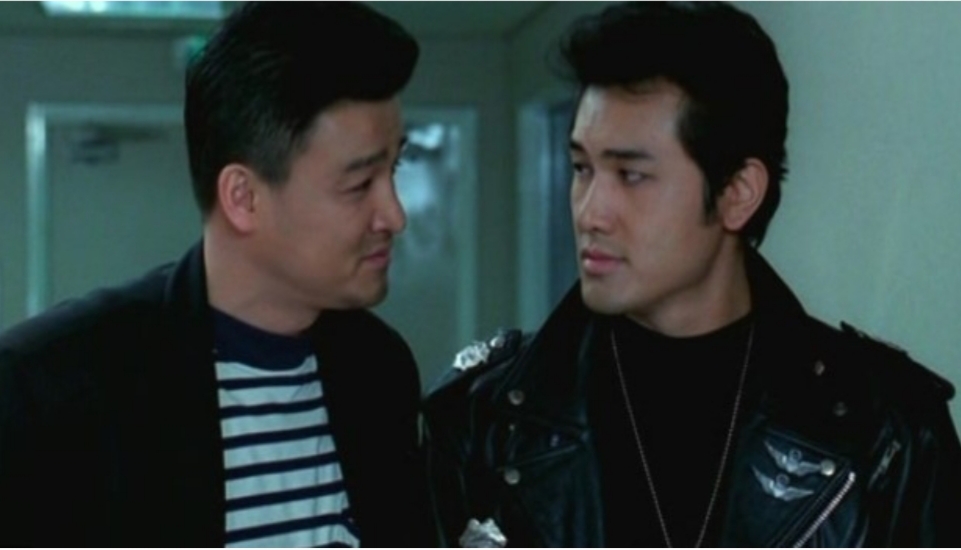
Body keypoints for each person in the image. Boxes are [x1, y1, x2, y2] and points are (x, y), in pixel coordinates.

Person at [423, 2, 961, 547]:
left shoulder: (886, 432)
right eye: (583, 168)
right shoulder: (484, 420)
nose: (590, 212)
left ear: (737, 194)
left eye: (631, 175)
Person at [0, 2, 429, 546]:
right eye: (359, 184)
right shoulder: (49, 391)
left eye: (394, 170)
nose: (395, 215)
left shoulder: (379, 370)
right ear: (243, 197)